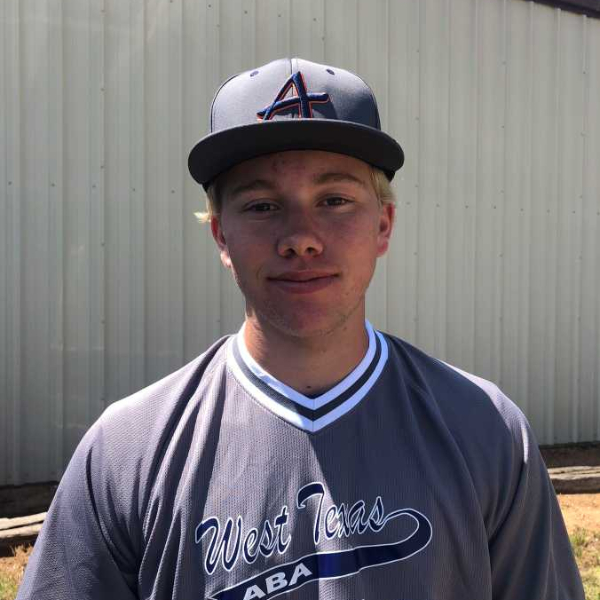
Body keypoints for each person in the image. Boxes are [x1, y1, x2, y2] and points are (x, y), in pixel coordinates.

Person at [18, 57, 583, 600]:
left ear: (383, 225)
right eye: (262, 206)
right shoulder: (127, 450)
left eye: (335, 200)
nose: (301, 238)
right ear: (221, 235)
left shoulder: (486, 431)